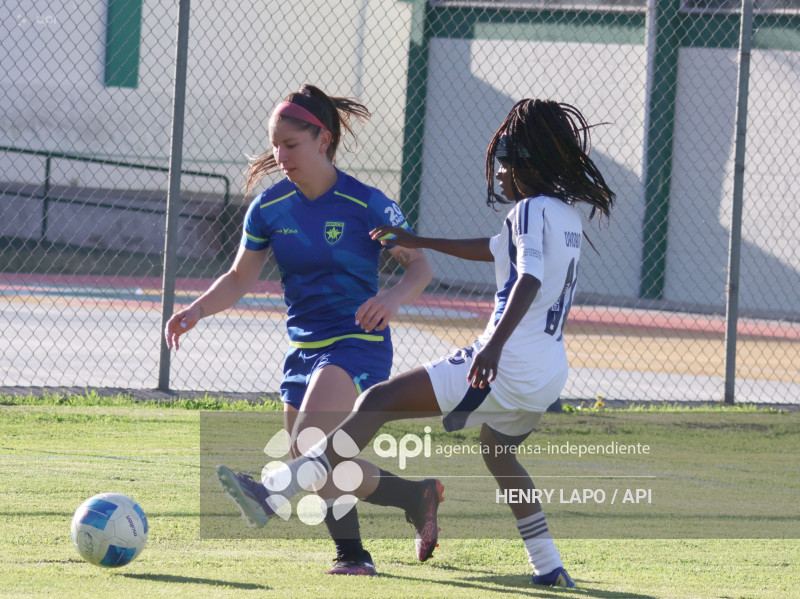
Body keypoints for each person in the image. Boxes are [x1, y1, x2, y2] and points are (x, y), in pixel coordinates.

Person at [214, 98, 615, 586]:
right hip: (549, 372)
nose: (500, 174)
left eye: (505, 162)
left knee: (377, 401)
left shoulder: (529, 209)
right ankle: (549, 566)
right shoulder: (563, 216)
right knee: (499, 452)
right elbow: (491, 248)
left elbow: (528, 276)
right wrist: (419, 241)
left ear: (524, 162)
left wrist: (491, 348)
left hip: (506, 361)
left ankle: (276, 491)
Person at [165, 84, 436, 575]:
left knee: (313, 441)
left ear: (323, 140)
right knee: (314, 462)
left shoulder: (366, 204)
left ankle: (347, 552)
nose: (279, 155)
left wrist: (391, 298)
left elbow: (419, 267)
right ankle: (415, 496)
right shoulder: (269, 208)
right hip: (303, 348)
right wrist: (197, 310)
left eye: (291, 145)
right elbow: (239, 278)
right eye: (275, 144)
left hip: (358, 341)